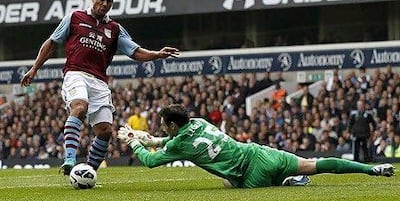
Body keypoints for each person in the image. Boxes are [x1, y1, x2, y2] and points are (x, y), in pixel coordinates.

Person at [20, 0, 179, 175]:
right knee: (79, 106)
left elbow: (135, 52)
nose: (104, 4)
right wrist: (34, 69)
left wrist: (157, 54)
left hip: (99, 82)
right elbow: (52, 43)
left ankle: (88, 172)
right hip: (75, 73)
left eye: (109, 1)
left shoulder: (115, 29)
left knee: (105, 130)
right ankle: (69, 159)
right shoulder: (74, 17)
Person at [118, 104, 395, 188]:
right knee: (315, 164)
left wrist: (133, 142)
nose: (162, 126)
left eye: (163, 123)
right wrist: (148, 138)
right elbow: (169, 141)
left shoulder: (179, 143)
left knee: (231, 186)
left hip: (250, 172)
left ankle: (288, 182)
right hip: (258, 150)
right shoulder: (198, 122)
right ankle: (371, 170)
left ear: (173, 126)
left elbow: (151, 161)